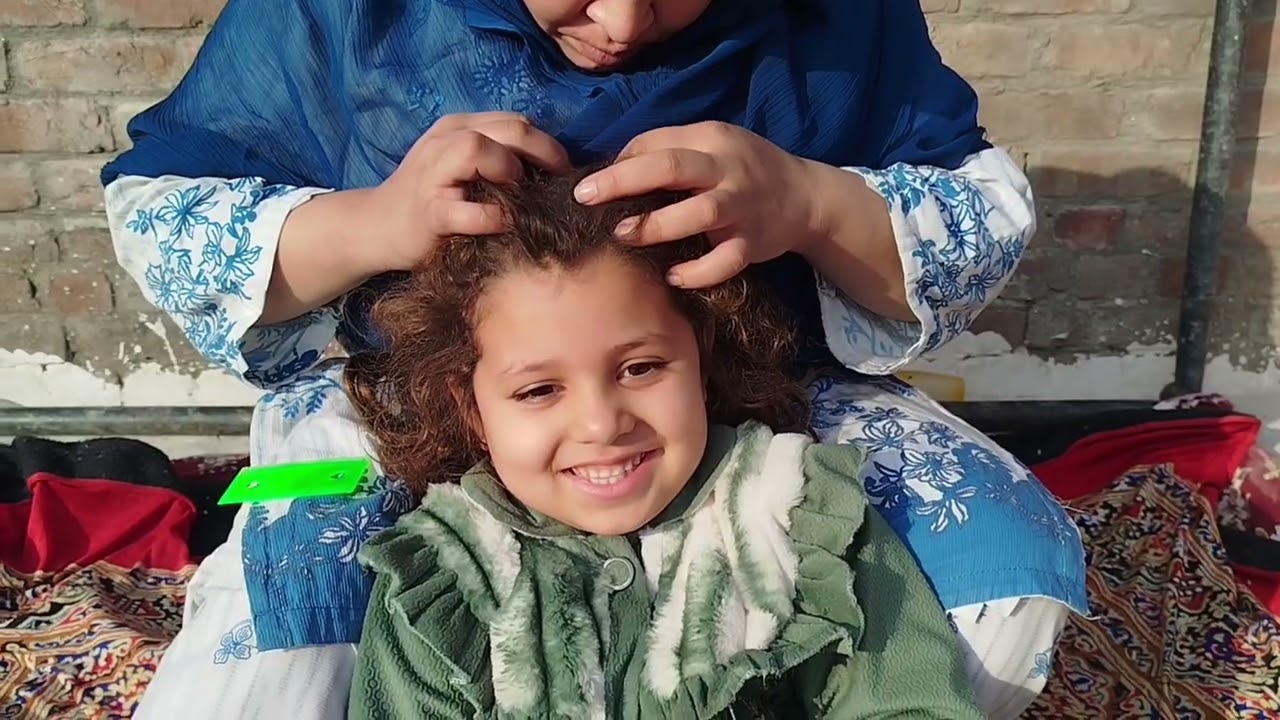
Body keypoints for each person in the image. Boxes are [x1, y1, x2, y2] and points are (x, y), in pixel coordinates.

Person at [105, 1, 1086, 717]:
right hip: (405, 391)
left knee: (995, 592)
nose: (619, 22)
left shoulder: (838, 18)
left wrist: (812, 203)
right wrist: (372, 223)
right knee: (278, 650)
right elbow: (165, 210)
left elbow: (967, 205)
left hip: (752, 383)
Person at [344, 169, 985, 718]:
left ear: (701, 361)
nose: (601, 425)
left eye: (641, 368)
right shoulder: (443, 575)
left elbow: (909, 700)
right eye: (539, 390)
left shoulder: (797, 514)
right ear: (472, 409)